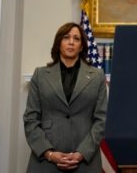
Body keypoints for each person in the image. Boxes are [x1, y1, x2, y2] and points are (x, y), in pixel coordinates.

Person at [23, 22, 107, 172]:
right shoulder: (40, 75)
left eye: (76, 38)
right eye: (66, 37)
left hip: (85, 161)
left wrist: (82, 153)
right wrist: (48, 153)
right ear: (58, 43)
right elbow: (30, 119)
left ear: (81, 46)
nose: (71, 42)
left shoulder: (97, 76)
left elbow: (102, 119)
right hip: (46, 161)